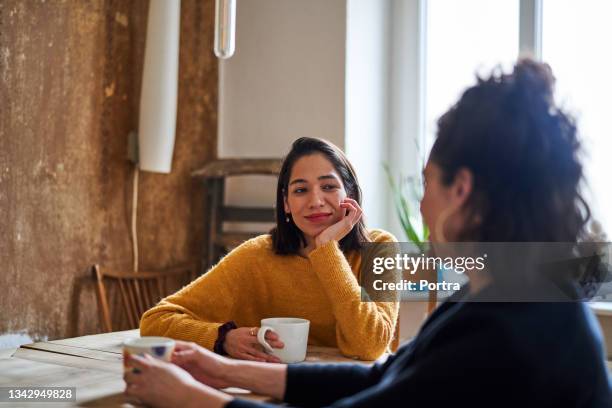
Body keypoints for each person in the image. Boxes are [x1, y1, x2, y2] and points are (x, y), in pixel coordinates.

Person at [126, 59, 611, 407]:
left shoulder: (504, 331)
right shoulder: (505, 302)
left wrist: (190, 398)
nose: (420, 204)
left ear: (460, 190)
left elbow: (374, 354)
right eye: (299, 190)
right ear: (285, 203)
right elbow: (386, 375)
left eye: (426, 183)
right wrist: (224, 365)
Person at [140, 137, 399, 362]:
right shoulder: (256, 256)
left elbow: (370, 345)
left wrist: (327, 250)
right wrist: (223, 338)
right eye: (300, 190)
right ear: (286, 203)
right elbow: (155, 321)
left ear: (350, 192)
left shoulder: (380, 248)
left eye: (329, 186)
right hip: (275, 389)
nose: (316, 201)